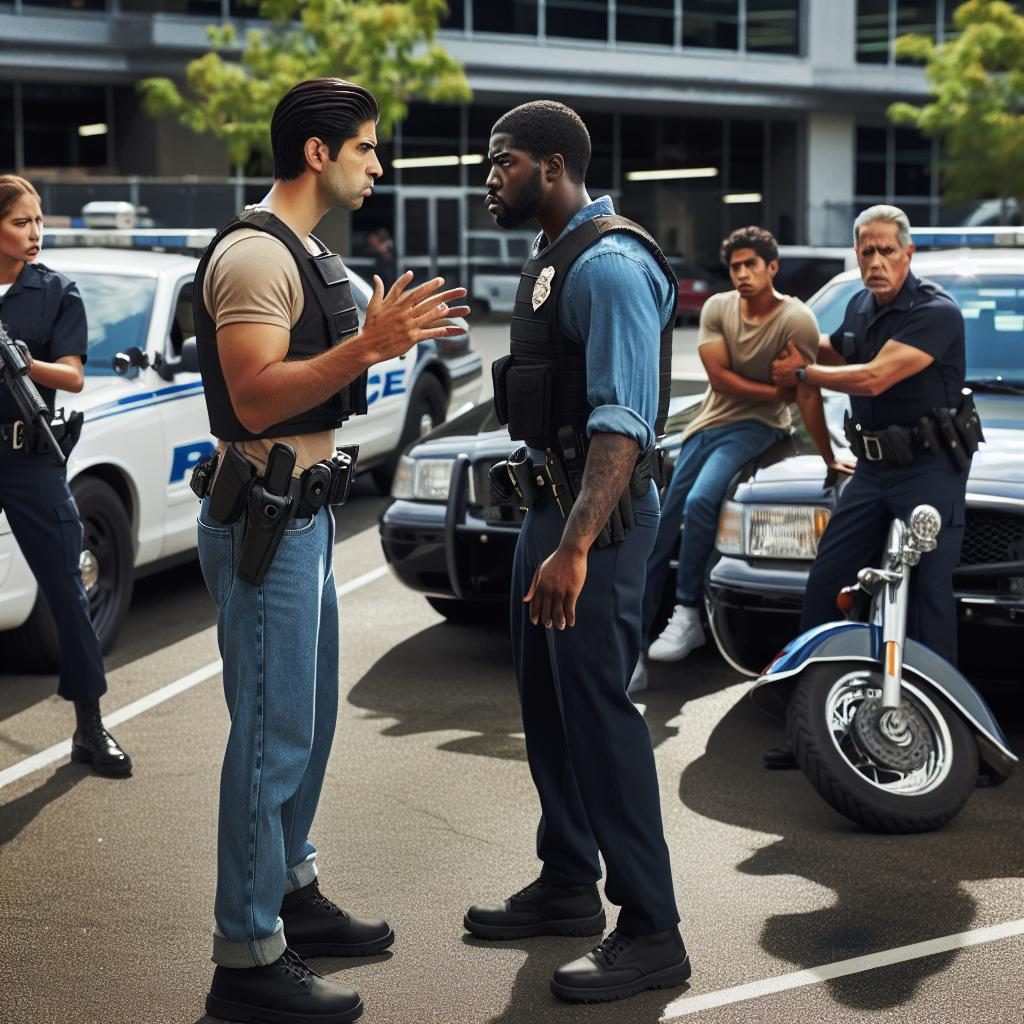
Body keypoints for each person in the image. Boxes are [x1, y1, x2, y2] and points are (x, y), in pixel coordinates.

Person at [193, 78, 467, 1024]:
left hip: (303, 515)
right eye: (366, 148)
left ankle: (290, 897)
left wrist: (386, 341)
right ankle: (247, 957)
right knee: (268, 740)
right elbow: (259, 396)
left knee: (300, 733)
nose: (378, 164)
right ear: (319, 153)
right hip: (265, 520)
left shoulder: (311, 255)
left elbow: (324, 375)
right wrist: (368, 346)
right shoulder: (254, 256)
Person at [463, 101, 691, 1004]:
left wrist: (577, 546)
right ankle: (568, 884)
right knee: (547, 708)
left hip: (596, 529)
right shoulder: (552, 260)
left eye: (502, 162)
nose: (489, 177)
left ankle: (652, 927)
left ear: (552, 167)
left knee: (598, 713)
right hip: (549, 520)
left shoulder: (611, 265)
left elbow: (622, 425)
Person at [634, 227, 853, 688]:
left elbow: (805, 389)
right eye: (735, 266)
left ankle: (689, 612)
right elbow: (721, 380)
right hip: (707, 425)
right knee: (658, 525)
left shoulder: (796, 320)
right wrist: (778, 388)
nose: (742, 274)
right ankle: (630, 651)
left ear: (773, 268)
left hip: (759, 429)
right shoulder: (717, 308)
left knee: (699, 504)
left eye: (751, 264)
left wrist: (832, 457)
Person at [771, 203, 970, 664]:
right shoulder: (861, 303)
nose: (875, 262)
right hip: (873, 470)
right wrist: (780, 336)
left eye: (886, 251)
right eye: (866, 252)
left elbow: (874, 377)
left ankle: (940, 702)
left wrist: (803, 373)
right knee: (828, 578)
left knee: (926, 592)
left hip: (929, 469)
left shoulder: (936, 312)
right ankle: (812, 684)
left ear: (908, 253)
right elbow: (839, 352)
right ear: (856, 254)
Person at [0, 174, 131, 777]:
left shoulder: (56, 292)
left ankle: (89, 725)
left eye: (39, 221)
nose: (34, 233)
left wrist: (26, 363)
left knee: (67, 587)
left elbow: (75, 376)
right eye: (20, 222)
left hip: (29, 457)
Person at [367, 227, 396, 291]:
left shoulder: (389, 246)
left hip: (387, 275)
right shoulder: (377, 248)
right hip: (379, 274)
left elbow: (389, 257)